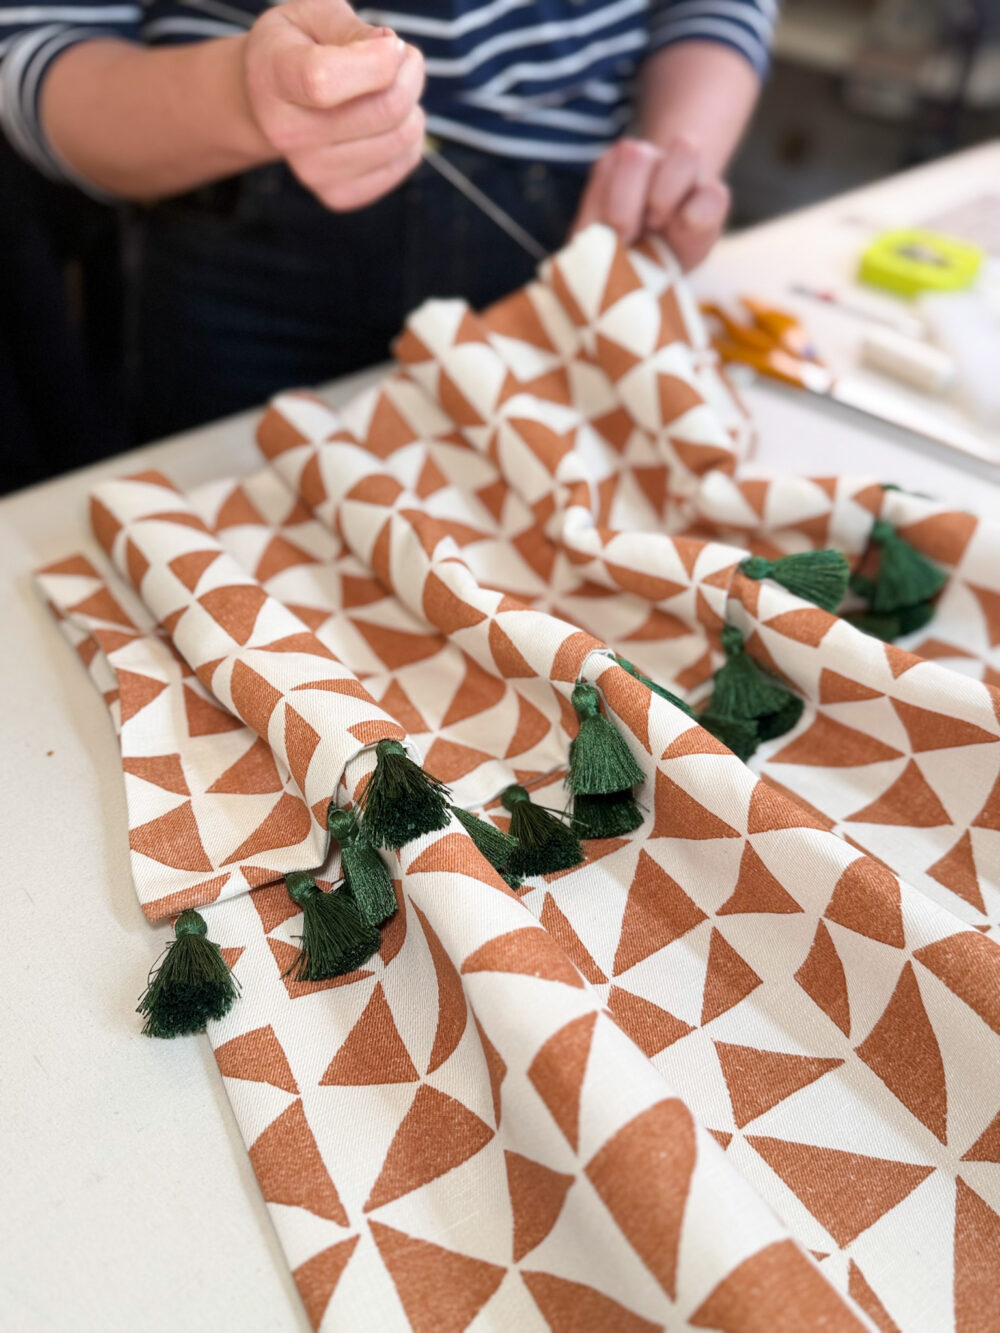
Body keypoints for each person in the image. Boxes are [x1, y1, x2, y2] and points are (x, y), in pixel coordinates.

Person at [0, 0, 776, 441]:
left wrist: (675, 158)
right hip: (234, 244)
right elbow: (34, 50)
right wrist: (245, 99)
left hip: (575, 224)